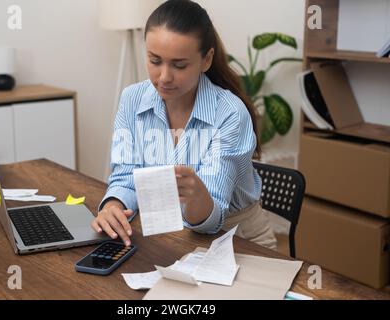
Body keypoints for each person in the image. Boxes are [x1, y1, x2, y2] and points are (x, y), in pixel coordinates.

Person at [91, 0, 277, 250]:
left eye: (179, 65)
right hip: (172, 235)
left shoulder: (230, 113)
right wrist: (113, 205)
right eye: (155, 61)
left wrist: (197, 194)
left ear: (206, 60)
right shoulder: (132, 99)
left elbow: (211, 221)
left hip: (238, 239)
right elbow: (125, 176)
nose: (164, 77)